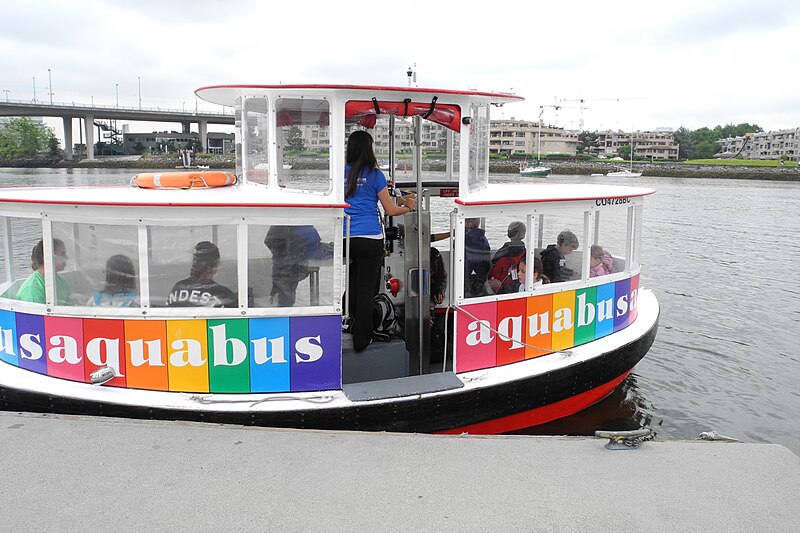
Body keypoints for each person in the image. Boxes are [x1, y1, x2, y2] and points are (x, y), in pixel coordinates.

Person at [344, 130, 415, 352]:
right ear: (369, 148)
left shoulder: (340, 173)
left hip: (346, 238)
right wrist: (409, 206)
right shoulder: (376, 175)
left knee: (352, 283)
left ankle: (350, 323)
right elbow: (391, 210)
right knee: (366, 289)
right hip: (370, 238)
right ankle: (362, 339)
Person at [265, 225, 333, 307]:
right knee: (285, 290)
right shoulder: (301, 227)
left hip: (287, 258)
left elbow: (269, 241)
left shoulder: (279, 228)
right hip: (294, 257)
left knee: (284, 290)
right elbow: (312, 245)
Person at [166, 241, 236, 308]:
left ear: (194, 263)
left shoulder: (179, 287)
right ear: (216, 265)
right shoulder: (222, 293)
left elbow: (168, 314)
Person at [15, 239, 71, 305]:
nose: (67, 258)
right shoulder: (33, 289)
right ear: (48, 257)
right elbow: (35, 314)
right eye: (62, 254)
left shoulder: (61, 281)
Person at [487, 221, 526, 294]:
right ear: (523, 234)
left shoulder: (500, 253)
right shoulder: (527, 254)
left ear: (509, 233)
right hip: (519, 289)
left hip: (498, 289)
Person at [462, 218, 491, 297]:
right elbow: (487, 259)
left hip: (466, 272)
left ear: (470, 223)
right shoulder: (482, 238)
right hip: (481, 274)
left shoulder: (464, 236)